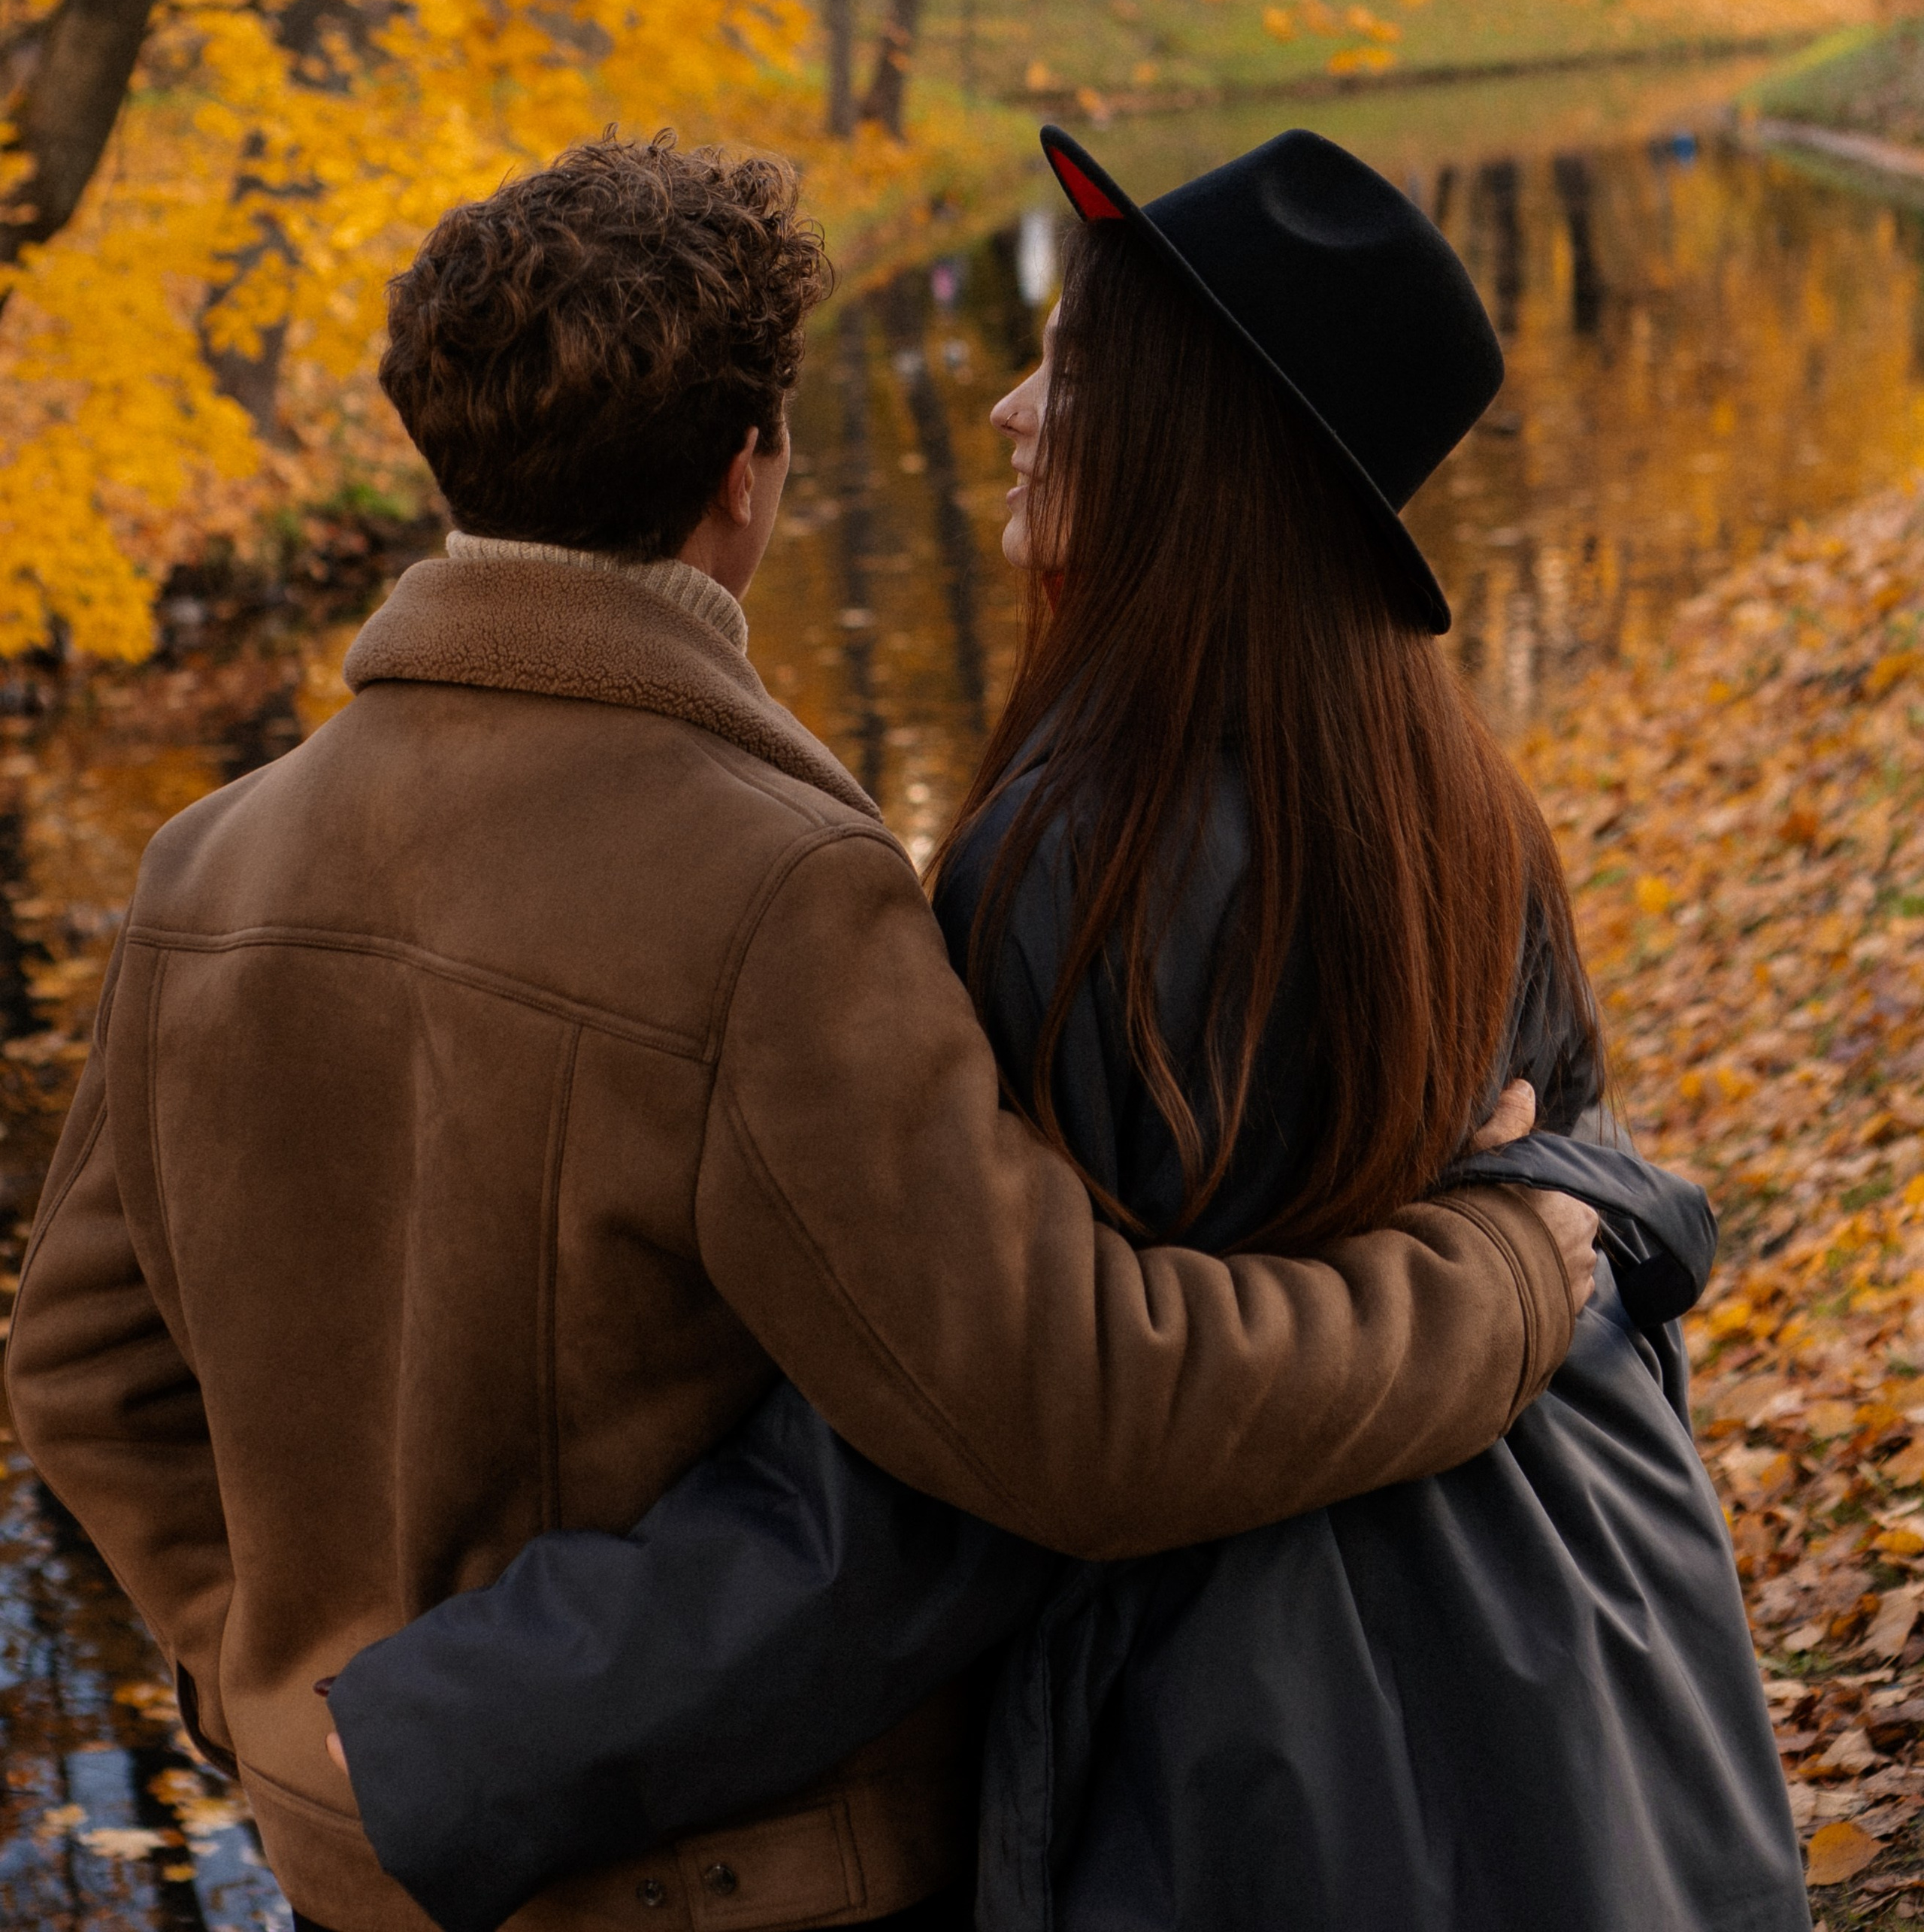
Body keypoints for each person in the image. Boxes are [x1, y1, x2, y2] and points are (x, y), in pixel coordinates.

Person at [5, 132, 1595, 1932]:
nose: (1007, 410)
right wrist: (1503, 1279)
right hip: (741, 1881)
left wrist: (283, 1710)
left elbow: (76, 1369)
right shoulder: (777, 888)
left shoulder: (202, 861)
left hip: (371, 1868)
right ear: (748, 474)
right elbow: (1059, 1409)